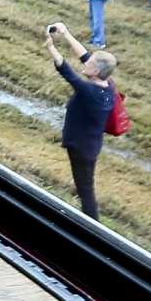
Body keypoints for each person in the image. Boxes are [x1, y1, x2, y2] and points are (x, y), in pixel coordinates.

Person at [46, 23, 117, 221]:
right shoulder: (108, 86)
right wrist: (66, 34)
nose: (86, 63)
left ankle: (93, 227)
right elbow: (83, 55)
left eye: (90, 63)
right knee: (85, 186)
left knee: (85, 190)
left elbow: (66, 71)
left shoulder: (90, 92)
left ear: (96, 71)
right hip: (90, 146)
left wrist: (51, 47)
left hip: (81, 149)